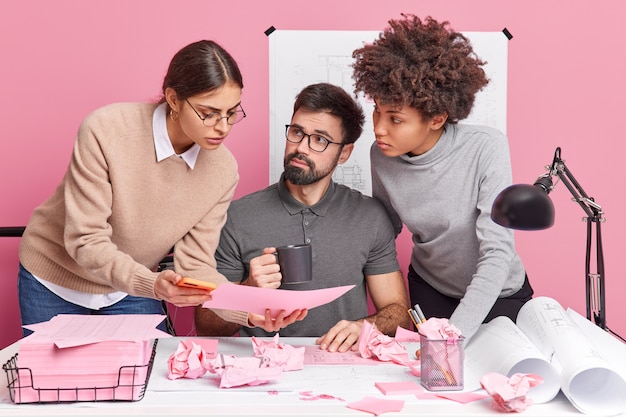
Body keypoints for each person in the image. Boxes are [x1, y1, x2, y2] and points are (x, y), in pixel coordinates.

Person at [17, 40, 305, 336]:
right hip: (54, 279)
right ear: (173, 99)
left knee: (149, 380)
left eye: (232, 112)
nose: (223, 126)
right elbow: (85, 239)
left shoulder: (222, 170)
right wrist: (152, 284)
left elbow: (195, 265)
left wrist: (248, 311)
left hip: (131, 288)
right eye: (209, 112)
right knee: (51, 383)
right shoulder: (106, 130)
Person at [351, 14, 534, 341]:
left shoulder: (486, 147)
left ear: (436, 118)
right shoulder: (381, 154)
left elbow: (497, 252)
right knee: (432, 382)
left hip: (498, 294)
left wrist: (453, 333)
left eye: (395, 118)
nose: (379, 128)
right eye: (377, 111)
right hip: (430, 288)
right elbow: (385, 228)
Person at [195, 82, 410, 352]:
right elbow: (205, 324)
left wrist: (364, 327)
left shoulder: (369, 216)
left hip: (341, 365)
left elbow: (399, 313)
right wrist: (248, 291)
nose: (302, 148)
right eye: (297, 132)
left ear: (344, 153)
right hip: (263, 368)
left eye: (320, 139)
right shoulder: (237, 217)